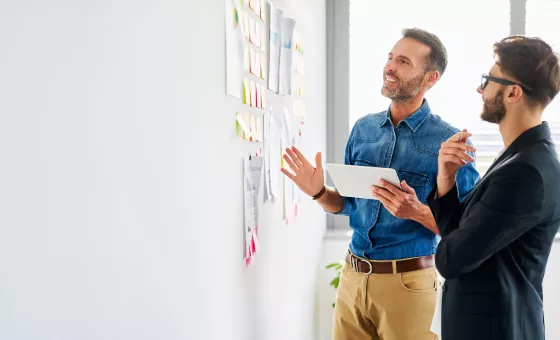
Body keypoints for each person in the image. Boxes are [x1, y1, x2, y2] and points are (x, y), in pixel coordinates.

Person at [281, 28, 479, 340]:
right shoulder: (363, 129)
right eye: (390, 58)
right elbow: (347, 205)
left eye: (403, 61)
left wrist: (415, 211)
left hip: (408, 283)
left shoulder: (449, 142)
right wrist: (318, 191)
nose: (390, 66)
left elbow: (468, 233)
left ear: (430, 78)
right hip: (353, 276)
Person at [427, 35, 560, 340]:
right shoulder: (522, 156)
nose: (480, 89)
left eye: (487, 80)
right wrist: (445, 181)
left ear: (513, 92)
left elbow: (451, 258)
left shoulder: (525, 172)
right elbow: (461, 236)